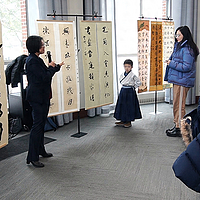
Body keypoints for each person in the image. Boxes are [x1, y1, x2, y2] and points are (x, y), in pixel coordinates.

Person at [25, 35, 64, 167]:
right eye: (42, 45)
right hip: (37, 98)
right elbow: (44, 78)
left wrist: (55, 66)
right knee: (37, 126)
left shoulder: (36, 59)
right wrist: (52, 68)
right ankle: (32, 157)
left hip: (42, 96)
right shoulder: (32, 61)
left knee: (41, 125)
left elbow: (44, 73)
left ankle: (41, 150)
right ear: (36, 46)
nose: (44, 47)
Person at [164, 26, 199, 137]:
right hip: (178, 79)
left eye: (179, 35)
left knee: (179, 106)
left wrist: (171, 63)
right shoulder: (179, 46)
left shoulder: (187, 49)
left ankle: (180, 128)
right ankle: (177, 125)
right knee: (176, 104)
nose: (177, 37)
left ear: (185, 35)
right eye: (176, 35)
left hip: (183, 81)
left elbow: (187, 67)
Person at [114, 59, 142, 128]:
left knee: (129, 106)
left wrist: (133, 87)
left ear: (131, 67)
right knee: (122, 105)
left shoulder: (133, 75)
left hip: (130, 92)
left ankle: (128, 121)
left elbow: (139, 83)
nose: (127, 68)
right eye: (125, 66)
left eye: (128, 66)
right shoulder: (122, 74)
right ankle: (122, 120)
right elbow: (121, 81)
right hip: (123, 90)